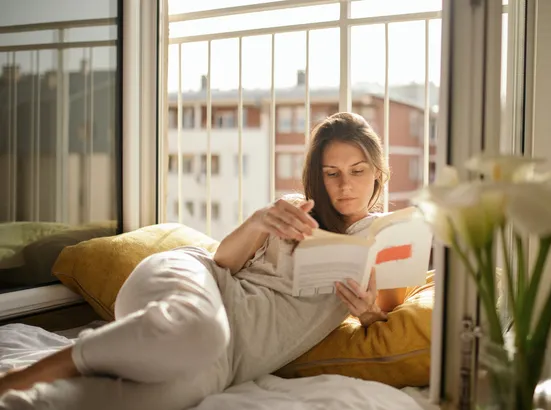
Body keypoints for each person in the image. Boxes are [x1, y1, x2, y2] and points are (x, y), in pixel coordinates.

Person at [0, 112, 406, 410]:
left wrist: (368, 313)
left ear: (377, 172)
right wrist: (259, 221)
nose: (345, 184)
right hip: (197, 282)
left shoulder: (380, 236)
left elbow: (387, 308)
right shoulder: (297, 210)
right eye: (332, 173)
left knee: (164, 397)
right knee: (199, 331)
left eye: (357, 170)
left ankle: (24, 396)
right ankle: (33, 372)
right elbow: (223, 261)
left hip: (230, 357)